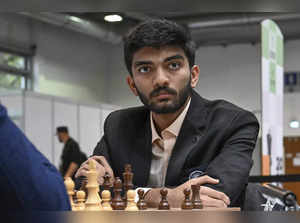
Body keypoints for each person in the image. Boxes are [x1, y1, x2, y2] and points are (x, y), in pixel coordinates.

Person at [75, 19, 259, 208]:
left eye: (173, 65)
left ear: (193, 75)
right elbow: (86, 186)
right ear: (132, 85)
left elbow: (216, 198)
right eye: (145, 69)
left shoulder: (233, 123)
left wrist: (128, 192)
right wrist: (164, 197)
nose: (160, 79)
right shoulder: (118, 125)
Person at [0, 103, 70, 210]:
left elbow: (75, 161)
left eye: (58, 135)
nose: (58, 137)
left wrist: (67, 177)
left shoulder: (71, 145)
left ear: (63, 133)